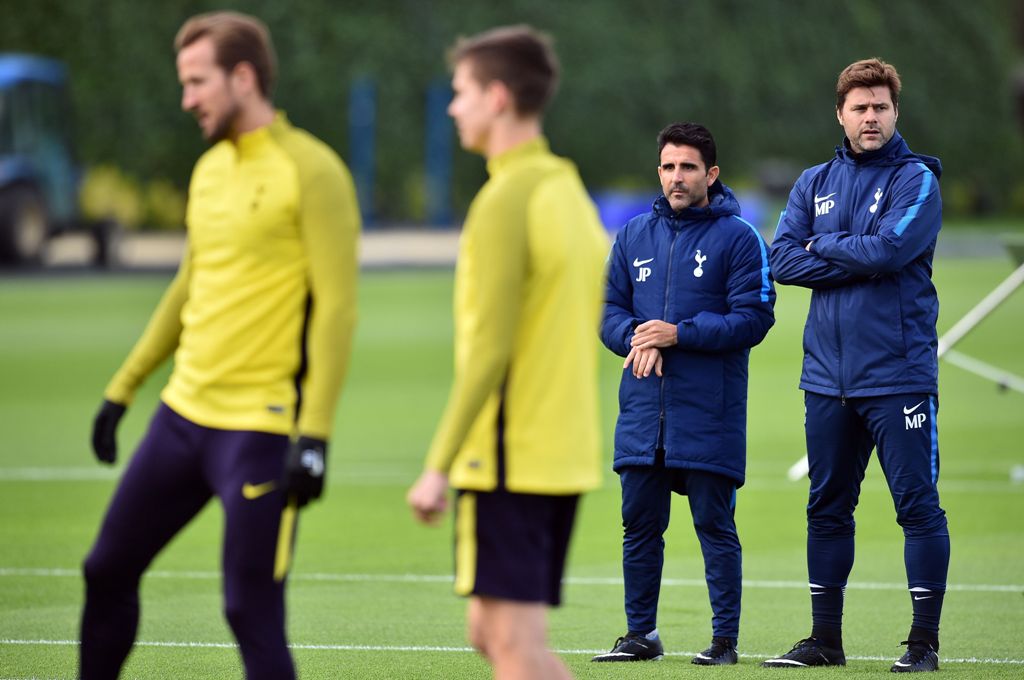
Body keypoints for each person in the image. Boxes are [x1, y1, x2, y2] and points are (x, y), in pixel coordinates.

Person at [79, 11, 360, 679]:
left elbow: (338, 311)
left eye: (197, 82)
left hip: (258, 430)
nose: (187, 100)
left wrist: (314, 436)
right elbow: (187, 287)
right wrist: (123, 389)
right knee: (106, 569)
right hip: (181, 419)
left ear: (243, 76)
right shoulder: (208, 171)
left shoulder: (313, 170)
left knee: (249, 608)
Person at [405, 25, 608, 680]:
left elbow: (489, 349)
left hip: (509, 458)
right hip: (561, 452)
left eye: (460, 92)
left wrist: (438, 465)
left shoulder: (504, 201)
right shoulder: (569, 192)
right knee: (493, 633)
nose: (451, 106)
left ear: (497, 98)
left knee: (512, 644)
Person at [762, 58, 948, 673]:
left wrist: (824, 244)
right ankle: (825, 642)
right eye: (860, 108)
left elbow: (892, 249)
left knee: (916, 506)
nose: (871, 117)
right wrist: (853, 254)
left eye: (881, 107)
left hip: (898, 377)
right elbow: (782, 260)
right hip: (827, 380)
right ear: (840, 114)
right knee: (826, 507)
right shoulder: (813, 181)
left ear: (897, 113)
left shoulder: (917, 179)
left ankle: (923, 646)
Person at [591, 122, 775, 666]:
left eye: (688, 167)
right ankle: (640, 635)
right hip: (644, 408)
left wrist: (677, 333)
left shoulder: (740, 237)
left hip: (708, 410)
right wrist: (637, 337)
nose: (677, 177)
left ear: (711, 174)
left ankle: (724, 642)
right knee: (639, 526)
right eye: (669, 166)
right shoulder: (631, 237)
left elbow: (754, 317)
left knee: (714, 526)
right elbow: (607, 314)